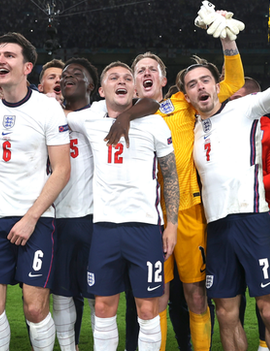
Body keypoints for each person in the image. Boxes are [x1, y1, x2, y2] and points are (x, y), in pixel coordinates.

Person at [104, 13, 245, 349]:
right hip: (146, 220)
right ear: (133, 83)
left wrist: (227, 39)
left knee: (196, 297)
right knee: (156, 300)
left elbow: (233, 81)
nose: (147, 73)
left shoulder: (182, 102)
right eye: (141, 71)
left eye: (153, 69)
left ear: (165, 79)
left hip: (189, 214)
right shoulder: (113, 115)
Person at [66, 61, 178, 351]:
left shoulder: (154, 122)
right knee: (103, 308)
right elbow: (55, 115)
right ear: (101, 90)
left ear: (134, 87)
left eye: (128, 78)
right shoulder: (88, 118)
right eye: (114, 77)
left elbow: (170, 177)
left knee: (147, 310)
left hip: (144, 228)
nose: (123, 81)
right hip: (104, 229)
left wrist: (172, 225)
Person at [185, 57, 270, 351]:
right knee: (225, 313)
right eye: (192, 84)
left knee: (269, 310)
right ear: (187, 96)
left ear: (218, 86)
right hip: (216, 227)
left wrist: (230, 44)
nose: (200, 87)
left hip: (253, 219)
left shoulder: (242, 108)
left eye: (205, 80)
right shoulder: (190, 127)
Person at [0, 32, 71, 351]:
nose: (0, 60)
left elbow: (62, 170)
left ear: (28, 66)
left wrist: (32, 217)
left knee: (34, 308)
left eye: (9, 55)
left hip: (37, 221)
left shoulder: (47, 109)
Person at [231, 76, 270, 351]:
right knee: (230, 296)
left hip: (258, 219)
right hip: (223, 221)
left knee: (266, 300)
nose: (232, 106)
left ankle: (265, 345)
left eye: (238, 99)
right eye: (230, 100)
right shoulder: (218, 128)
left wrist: (242, 182)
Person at [51, 57, 99, 351]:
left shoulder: (101, 113)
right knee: (61, 294)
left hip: (94, 218)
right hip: (57, 218)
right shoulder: (48, 117)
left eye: (76, 74)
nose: (68, 77)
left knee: (97, 293)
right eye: (65, 74)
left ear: (91, 85)